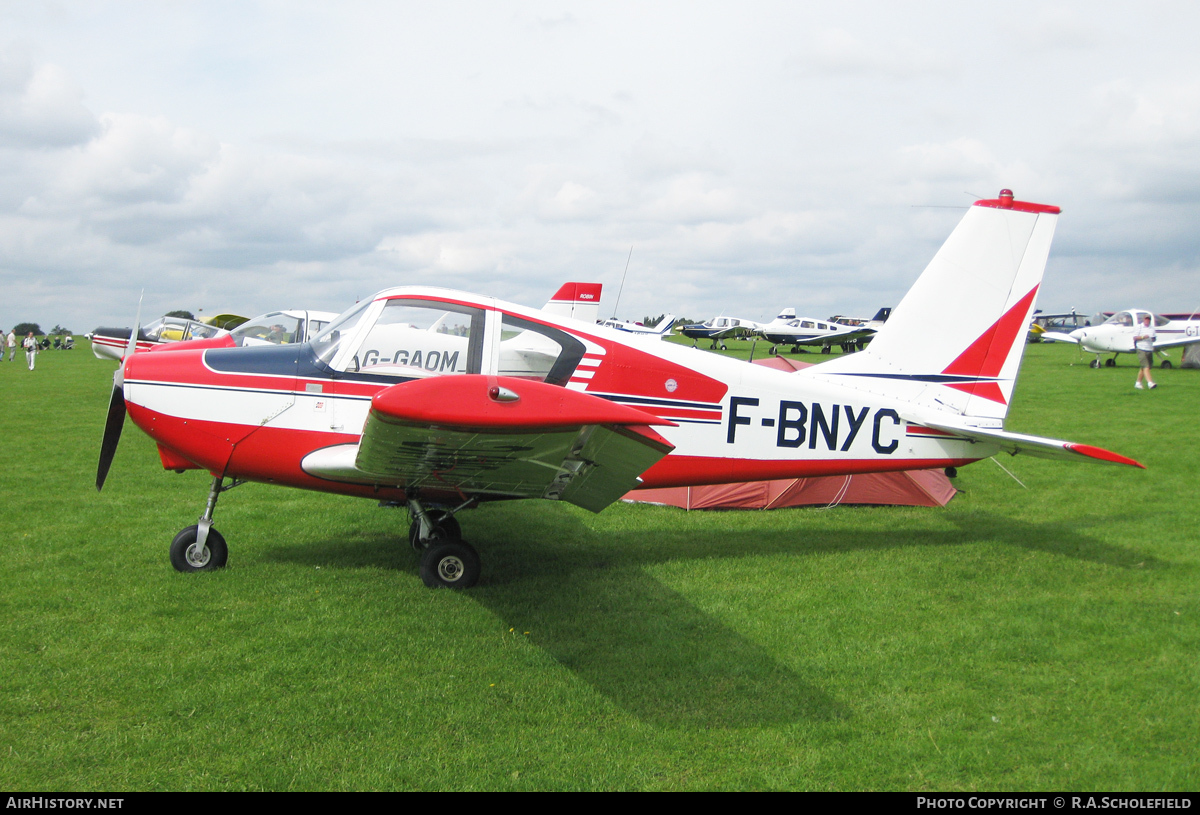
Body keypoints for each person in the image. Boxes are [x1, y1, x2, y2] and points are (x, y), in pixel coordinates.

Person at [1134, 314, 1157, 390]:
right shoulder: (1139, 327)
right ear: (1143, 320)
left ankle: (1138, 383)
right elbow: (1135, 337)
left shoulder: (1152, 328)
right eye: (1146, 319)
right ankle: (1150, 383)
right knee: (1146, 366)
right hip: (1141, 348)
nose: (1147, 320)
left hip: (1149, 348)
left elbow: (1154, 339)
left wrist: (1153, 339)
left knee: (1146, 367)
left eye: (1149, 319)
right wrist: (1143, 337)